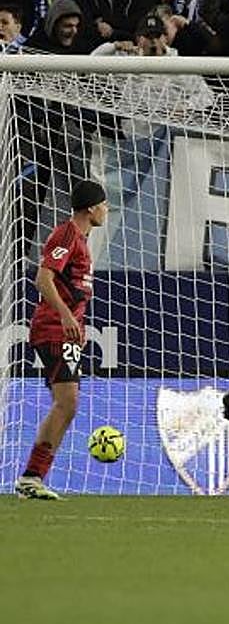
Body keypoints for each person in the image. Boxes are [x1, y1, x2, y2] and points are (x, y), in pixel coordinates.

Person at [15, 181, 109, 500]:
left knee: (68, 405)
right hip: (53, 327)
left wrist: (76, 326)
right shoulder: (67, 235)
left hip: (66, 330)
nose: (106, 210)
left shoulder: (80, 240)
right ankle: (31, 477)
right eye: (104, 204)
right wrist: (67, 316)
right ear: (91, 208)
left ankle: (33, 476)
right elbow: (43, 278)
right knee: (67, 402)